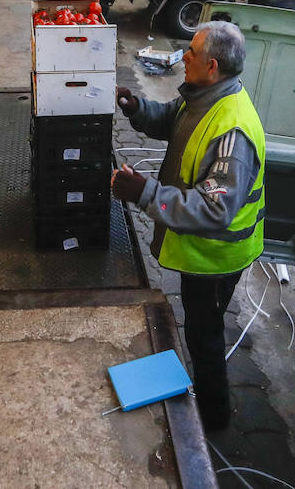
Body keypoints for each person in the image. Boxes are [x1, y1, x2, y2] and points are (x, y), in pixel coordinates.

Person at [112, 21, 266, 431]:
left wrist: (145, 192)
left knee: (204, 335)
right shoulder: (203, 97)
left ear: (211, 66)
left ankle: (214, 419)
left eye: (191, 54)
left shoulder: (232, 131)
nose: (183, 58)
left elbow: (215, 209)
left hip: (217, 256)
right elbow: (172, 121)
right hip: (201, 251)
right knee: (198, 325)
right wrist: (137, 109)